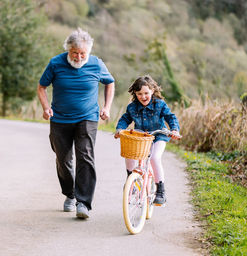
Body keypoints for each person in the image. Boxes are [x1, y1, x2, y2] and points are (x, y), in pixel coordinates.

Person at [37, 28, 115, 219]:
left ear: (88, 52)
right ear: (68, 50)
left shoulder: (96, 64)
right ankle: (70, 195)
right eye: (75, 53)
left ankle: (84, 203)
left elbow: (110, 83)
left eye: (83, 54)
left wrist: (106, 107)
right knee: (63, 160)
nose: (79, 57)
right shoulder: (56, 63)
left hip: (87, 117)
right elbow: (41, 87)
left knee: (85, 157)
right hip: (60, 119)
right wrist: (46, 108)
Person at [114, 75, 180, 205]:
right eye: (139, 94)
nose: (143, 97)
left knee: (155, 158)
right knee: (130, 154)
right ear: (135, 93)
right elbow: (125, 119)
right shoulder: (132, 107)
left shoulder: (160, 105)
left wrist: (174, 130)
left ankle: (161, 191)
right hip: (141, 137)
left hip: (158, 136)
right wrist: (119, 129)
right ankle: (131, 180)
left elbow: (170, 117)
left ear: (152, 91)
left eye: (146, 93)